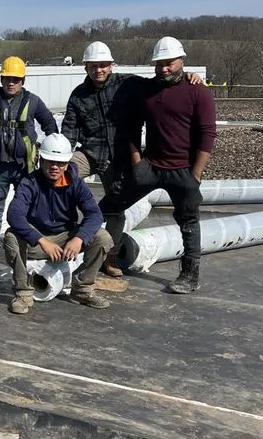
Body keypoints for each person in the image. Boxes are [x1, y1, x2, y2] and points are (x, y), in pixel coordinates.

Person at [62, 40, 203, 277]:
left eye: (104, 65)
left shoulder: (127, 83)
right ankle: (63, 234)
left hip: (118, 157)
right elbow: (69, 129)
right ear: (85, 67)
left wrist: (189, 75)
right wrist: (61, 158)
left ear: (112, 65)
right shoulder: (79, 95)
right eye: (93, 66)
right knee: (62, 178)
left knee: (116, 209)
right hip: (90, 152)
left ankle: (110, 257)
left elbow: (162, 80)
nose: (99, 70)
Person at [99, 36, 216, 294]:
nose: (163, 68)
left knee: (188, 222)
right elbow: (130, 127)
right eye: (159, 63)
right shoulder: (145, 90)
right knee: (106, 207)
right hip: (150, 166)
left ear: (182, 60)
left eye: (169, 63)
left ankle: (189, 274)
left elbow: (208, 133)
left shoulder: (198, 91)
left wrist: (195, 174)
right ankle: (95, 258)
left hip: (183, 170)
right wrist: (137, 163)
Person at [4, 133, 113, 314]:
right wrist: (42, 241)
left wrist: (79, 238)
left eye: (60, 163)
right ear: (40, 160)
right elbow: (14, 215)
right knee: (11, 237)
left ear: (68, 163)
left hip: (65, 237)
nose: (55, 167)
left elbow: (95, 215)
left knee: (102, 237)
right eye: (49, 161)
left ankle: (82, 289)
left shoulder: (76, 184)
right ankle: (23, 293)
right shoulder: (29, 183)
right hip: (38, 241)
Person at [0, 56, 58, 270]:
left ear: (23, 81)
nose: (11, 82)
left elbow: (50, 125)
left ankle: (28, 250)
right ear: (1, 79)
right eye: (7, 78)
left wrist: (52, 152)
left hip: (24, 167)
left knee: (28, 211)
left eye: (16, 79)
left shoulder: (33, 101)